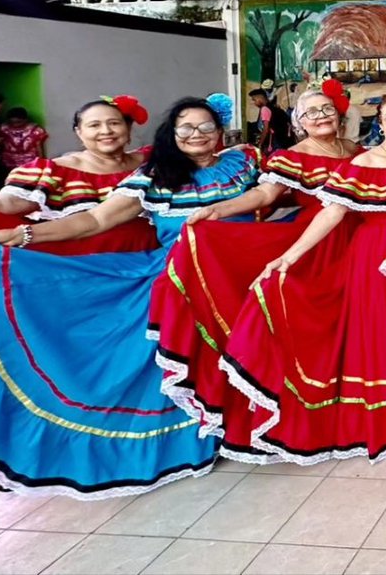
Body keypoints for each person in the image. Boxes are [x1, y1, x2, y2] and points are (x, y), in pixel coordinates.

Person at [0, 97, 261, 497]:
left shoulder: (244, 162)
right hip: (179, 274)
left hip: (242, 272)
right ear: (171, 134)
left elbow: (283, 195)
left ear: (220, 132)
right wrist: (21, 235)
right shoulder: (154, 176)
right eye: (185, 127)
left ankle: (253, 426)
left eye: (206, 127)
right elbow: (95, 219)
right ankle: (197, 434)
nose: (196, 135)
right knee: (162, 349)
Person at [223, 90, 386, 464]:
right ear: (380, 122)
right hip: (374, 258)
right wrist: (288, 257)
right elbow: (331, 213)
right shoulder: (362, 162)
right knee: (382, 336)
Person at [150, 90, 361, 462]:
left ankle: (364, 404)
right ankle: (315, 417)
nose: (320, 116)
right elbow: (264, 196)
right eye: (309, 112)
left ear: (339, 113)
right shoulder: (292, 158)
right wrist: (219, 209)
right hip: (318, 246)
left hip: (365, 241)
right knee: (317, 328)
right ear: (297, 123)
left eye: (326, 108)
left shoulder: (358, 151)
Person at [0, 97, 157, 255]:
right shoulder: (53, 171)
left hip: (157, 259)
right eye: (94, 125)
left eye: (114, 123)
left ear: (128, 128)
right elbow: (1, 205)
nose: (106, 131)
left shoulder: (154, 161)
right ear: (79, 132)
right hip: (87, 267)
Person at [0, 107, 48, 171]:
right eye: (12, 122)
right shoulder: (4, 128)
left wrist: (41, 162)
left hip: (30, 162)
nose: (15, 124)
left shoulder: (35, 130)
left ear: (25, 119)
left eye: (18, 122)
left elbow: (39, 147)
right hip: (9, 162)